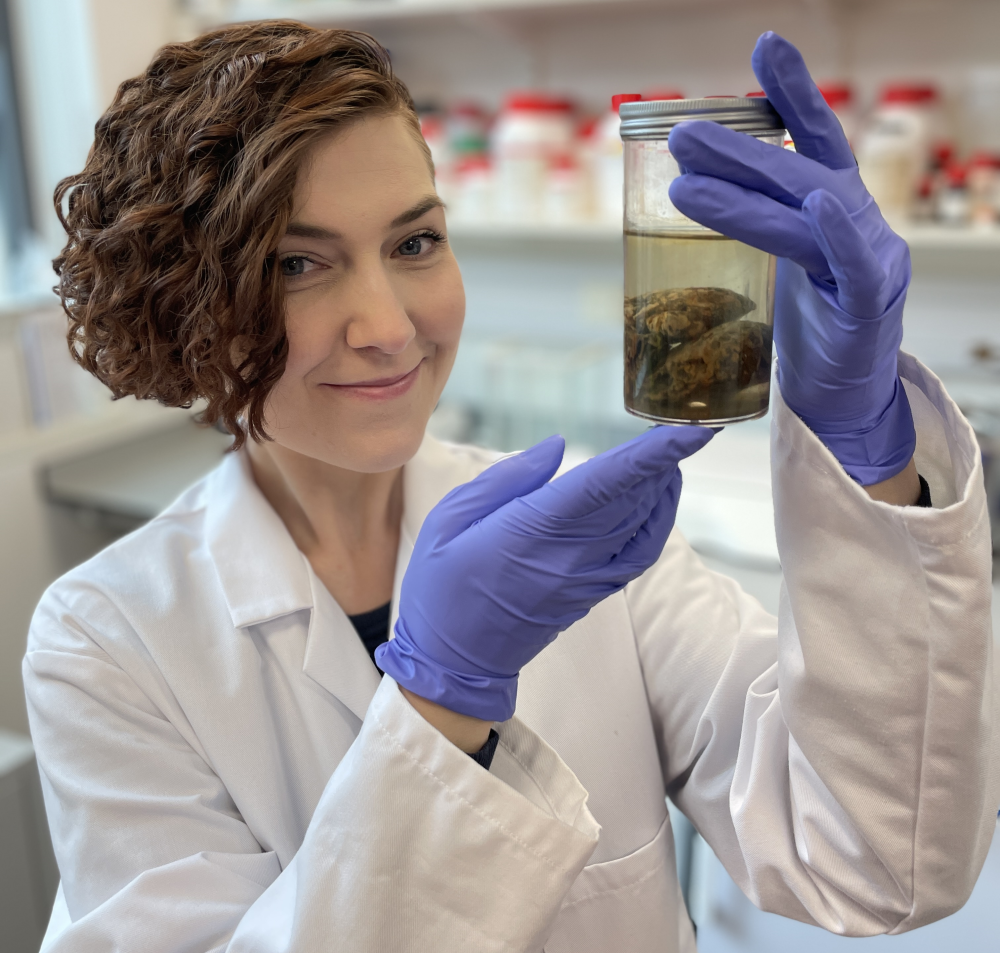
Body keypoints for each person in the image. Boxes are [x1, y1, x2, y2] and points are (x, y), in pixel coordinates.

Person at [24, 21, 996, 953]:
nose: (389, 326)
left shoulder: (589, 542)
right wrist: (444, 707)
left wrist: (870, 451)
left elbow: (878, 859)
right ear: (180, 305)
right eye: (296, 263)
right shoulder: (108, 639)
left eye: (413, 243)